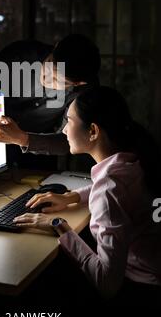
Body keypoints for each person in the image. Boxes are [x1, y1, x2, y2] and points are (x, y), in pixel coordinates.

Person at [13, 86, 161, 301]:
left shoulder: (110, 188)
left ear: (93, 131)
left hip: (142, 288)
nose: (64, 130)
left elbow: (107, 283)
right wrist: (71, 197)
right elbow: (116, 192)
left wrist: (59, 225)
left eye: (69, 121)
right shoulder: (130, 161)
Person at [0, 34, 101, 160]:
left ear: (78, 83)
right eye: (48, 64)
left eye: (56, 79)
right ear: (56, 46)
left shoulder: (85, 93)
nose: (45, 77)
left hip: (37, 148)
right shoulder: (20, 54)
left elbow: (67, 141)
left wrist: (22, 139)